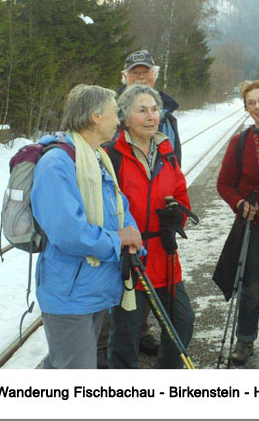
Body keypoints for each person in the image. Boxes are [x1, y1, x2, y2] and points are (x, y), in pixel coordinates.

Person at [31, 84, 142, 369]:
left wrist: (132, 238)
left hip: (93, 288)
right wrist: (118, 240)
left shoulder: (96, 158)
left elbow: (118, 209)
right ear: (94, 116)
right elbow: (69, 232)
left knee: (65, 365)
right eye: (113, 113)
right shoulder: (57, 163)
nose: (118, 120)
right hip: (70, 293)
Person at [97, 49, 182, 364]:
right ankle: (106, 352)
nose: (141, 76)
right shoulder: (108, 112)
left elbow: (174, 164)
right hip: (122, 230)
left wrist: (173, 204)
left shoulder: (166, 115)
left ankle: (137, 335)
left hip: (155, 222)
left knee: (142, 303)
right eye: (135, 72)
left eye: (147, 72)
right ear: (124, 76)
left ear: (155, 75)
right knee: (118, 304)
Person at [107, 85, 195, 369]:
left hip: (164, 254)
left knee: (182, 321)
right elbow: (104, 206)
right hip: (129, 259)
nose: (151, 116)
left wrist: (176, 216)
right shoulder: (112, 154)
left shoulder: (166, 151)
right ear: (125, 116)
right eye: (142, 110)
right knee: (126, 335)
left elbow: (181, 195)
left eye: (155, 110)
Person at [216, 80, 259, 366]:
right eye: (251, 103)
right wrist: (240, 204)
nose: (258, 106)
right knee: (252, 286)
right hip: (256, 226)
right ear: (246, 109)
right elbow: (224, 184)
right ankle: (245, 339)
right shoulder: (239, 142)